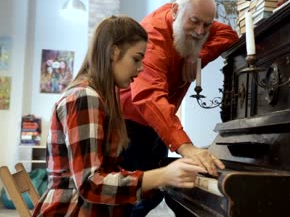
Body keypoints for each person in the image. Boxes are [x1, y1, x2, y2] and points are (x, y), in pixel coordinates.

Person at [32, 15, 207, 216]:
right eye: (136, 58)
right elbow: (90, 184)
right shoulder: (84, 97)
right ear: (114, 52)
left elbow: (106, 173)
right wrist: (162, 176)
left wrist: (165, 178)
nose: (140, 68)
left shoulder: (100, 96)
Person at [119, 0, 239, 215]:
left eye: (207, 24)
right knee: (131, 199)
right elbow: (148, 97)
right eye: (194, 22)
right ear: (175, 11)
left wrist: (198, 57)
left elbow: (229, 35)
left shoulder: (198, 22)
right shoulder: (151, 39)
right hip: (129, 125)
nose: (200, 30)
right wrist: (186, 147)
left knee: (153, 194)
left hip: (158, 123)